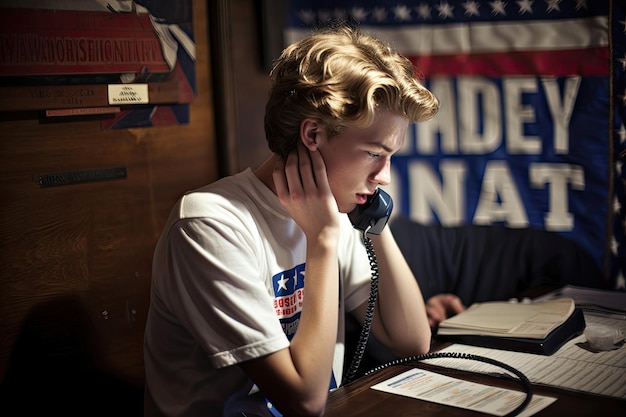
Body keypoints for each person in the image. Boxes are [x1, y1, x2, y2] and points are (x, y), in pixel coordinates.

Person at [143, 24, 443, 417]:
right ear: (313, 134)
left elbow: (412, 340)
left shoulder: (336, 208)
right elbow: (304, 401)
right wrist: (320, 242)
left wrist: (374, 221)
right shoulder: (209, 225)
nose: (385, 175)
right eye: (374, 154)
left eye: (390, 157)